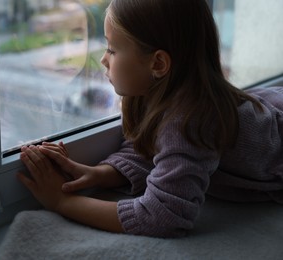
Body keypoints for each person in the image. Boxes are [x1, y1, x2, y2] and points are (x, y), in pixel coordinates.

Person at [17, 0, 283, 237]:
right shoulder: (164, 91)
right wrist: (98, 174)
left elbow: (163, 215)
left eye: (112, 49)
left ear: (158, 64)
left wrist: (63, 203)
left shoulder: (190, 120)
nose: (102, 59)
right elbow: (152, 148)